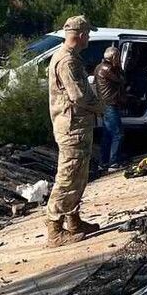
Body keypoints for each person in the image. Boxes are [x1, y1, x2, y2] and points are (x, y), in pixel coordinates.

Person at [45, 15, 106, 246]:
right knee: (68, 175)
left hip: (77, 125)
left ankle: (73, 219)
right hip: (71, 127)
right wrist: (100, 106)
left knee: (79, 174)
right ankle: (54, 228)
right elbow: (79, 95)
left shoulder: (71, 58)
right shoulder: (66, 61)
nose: (89, 37)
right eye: (88, 33)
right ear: (80, 35)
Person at [93, 45, 126, 169]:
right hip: (110, 104)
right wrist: (119, 67)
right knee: (118, 134)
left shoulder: (99, 67)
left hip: (105, 103)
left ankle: (103, 162)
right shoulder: (108, 69)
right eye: (117, 57)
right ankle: (113, 162)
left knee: (107, 134)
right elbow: (121, 80)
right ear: (114, 57)